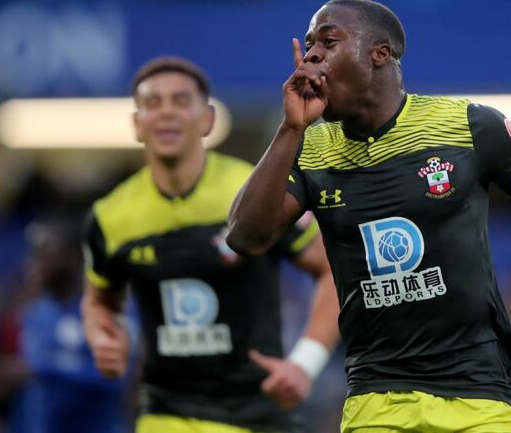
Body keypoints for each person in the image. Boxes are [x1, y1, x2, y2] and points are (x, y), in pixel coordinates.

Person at [226, 0, 511, 433]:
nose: (312, 53)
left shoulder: (467, 126)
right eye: (310, 43)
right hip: (375, 398)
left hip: (478, 393)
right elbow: (245, 237)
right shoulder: (311, 149)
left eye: (329, 40)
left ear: (380, 54)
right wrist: (290, 129)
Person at [81, 57, 340, 433]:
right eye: (152, 103)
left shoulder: (252, 192)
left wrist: (306, 363)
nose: (167, 112)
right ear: (137, 124)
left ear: (208, 120)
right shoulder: (110, 216)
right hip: (165, 412)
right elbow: (99, 298)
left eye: (181, 101)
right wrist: (101, 334)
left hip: (259, 410)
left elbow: (332, 271)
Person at [11, 216, 138, 433]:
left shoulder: (108, 306)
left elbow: (117, 376)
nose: (35, 263)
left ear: (73, 257)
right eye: (34, 254)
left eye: (45, 254)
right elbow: (33, 392)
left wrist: (44, 369)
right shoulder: (36, 313)